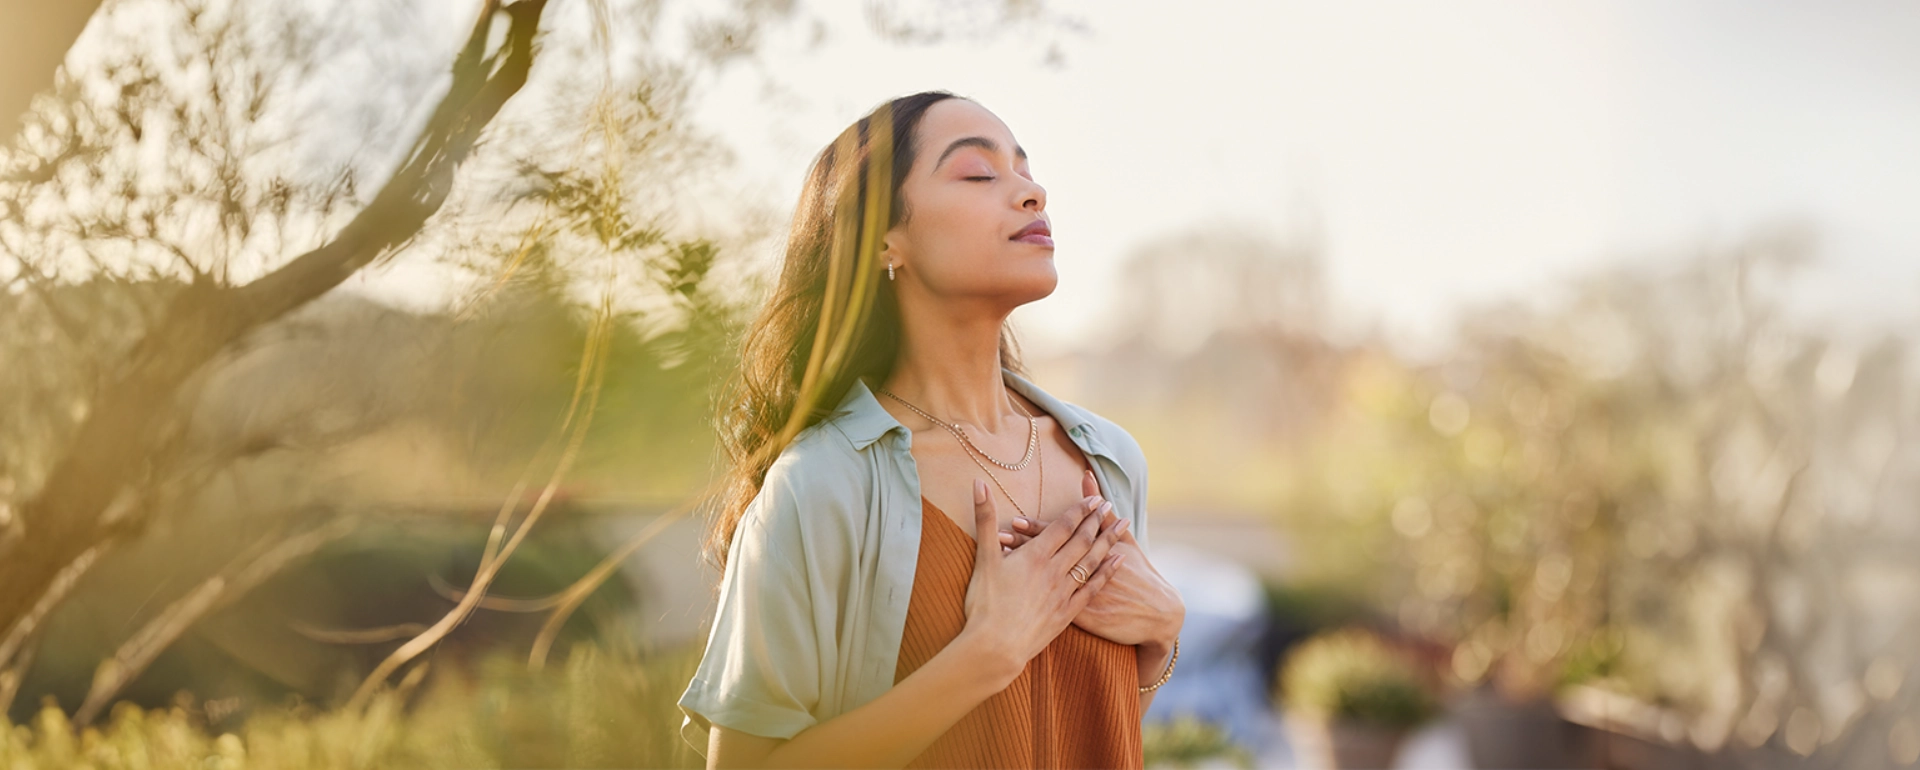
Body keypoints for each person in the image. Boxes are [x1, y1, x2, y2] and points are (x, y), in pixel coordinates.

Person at [678, 89, 1187, 769]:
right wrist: (986, 655)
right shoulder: (821, 485)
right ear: (886, 240)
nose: (1032, 193)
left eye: (1026, 171)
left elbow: (1083, 726)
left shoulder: (1111, 460)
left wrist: (1160, 639)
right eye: (980, 174)